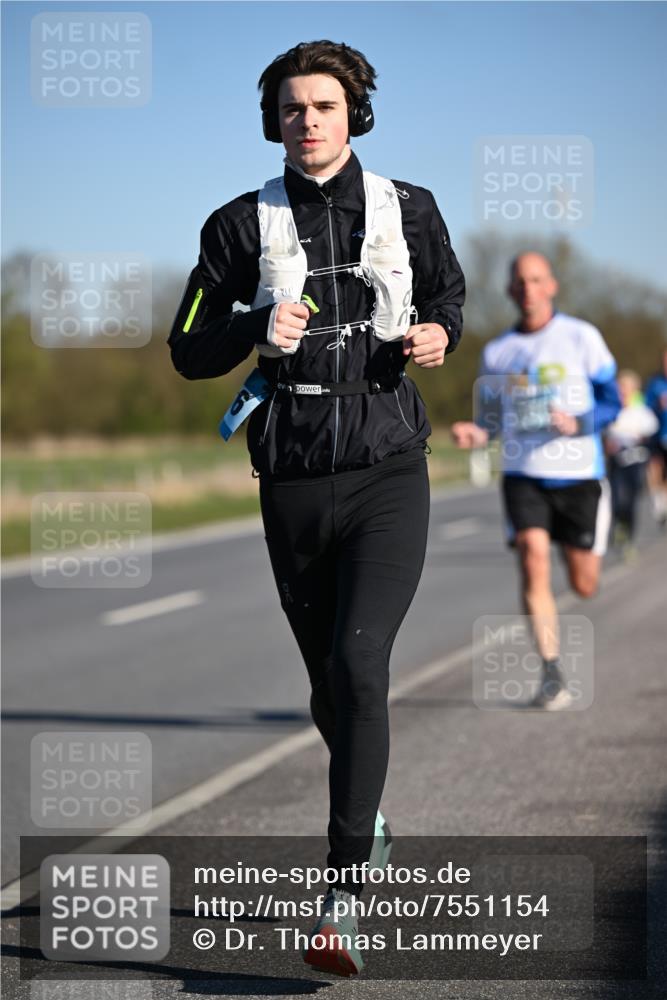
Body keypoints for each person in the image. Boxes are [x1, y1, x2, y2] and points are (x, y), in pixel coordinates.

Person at [168, 40, 465, 976]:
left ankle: (345, 894)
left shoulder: (408, 208)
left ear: (354, 114)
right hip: (292, 475)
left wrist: (436, 334)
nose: (308, 121)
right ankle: (367, 817)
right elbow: (186, 349)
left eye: (325, 106)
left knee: (360, 656)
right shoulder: (234, 225)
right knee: (327, 685)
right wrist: (257, 326)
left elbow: (449, 296)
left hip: (387, 463)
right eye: (292, 108)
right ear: (275, 120)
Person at [452, 253, 620, 710]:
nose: (527, 288)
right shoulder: (498, 351)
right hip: (523, 473)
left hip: (579, 475)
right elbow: (488, 418)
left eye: (536, 280)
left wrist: (581, 423)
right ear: (510, 290)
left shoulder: (582, 337)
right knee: (532, 556)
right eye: (519, 281)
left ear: (552, 286)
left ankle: (577, 550)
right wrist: (476, 431)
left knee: (584, 584)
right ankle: (551, 672)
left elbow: (612, 403)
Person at [604, 370, 658, 557]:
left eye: (626, 387)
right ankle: (618, 527)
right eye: (621, 387)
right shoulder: (613, 407)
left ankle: (629, 536)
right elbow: (607, 429)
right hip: (616, 460)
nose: (623, 390)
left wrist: (638, 435)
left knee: (630, 500)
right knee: (616, 498)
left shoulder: (640, 408)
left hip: (635, 460)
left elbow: (650, 427)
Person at [644, 348, 667, 529]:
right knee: (655, 468)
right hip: (657, 435)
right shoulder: (656, 383)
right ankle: (659, 501)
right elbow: (645, 406)